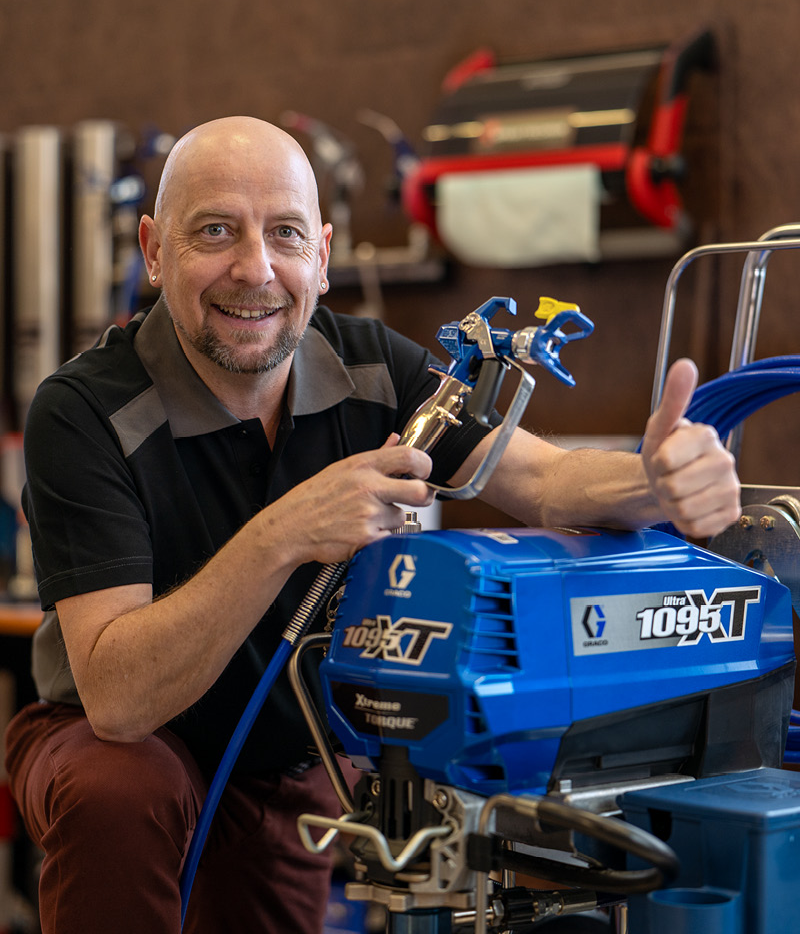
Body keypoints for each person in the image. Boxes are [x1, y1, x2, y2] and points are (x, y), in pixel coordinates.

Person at [4, 116, 740, 934]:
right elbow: (116, 697)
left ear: (320, 257)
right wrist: (287, 529)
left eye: (284, 233)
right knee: (124, 790)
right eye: (215, 231)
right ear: (152, 250)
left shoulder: (374, 368)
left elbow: (549, 480)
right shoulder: (83, 411)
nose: (255, 268)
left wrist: (658, 480)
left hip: (280, 753)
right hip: (109, 739)